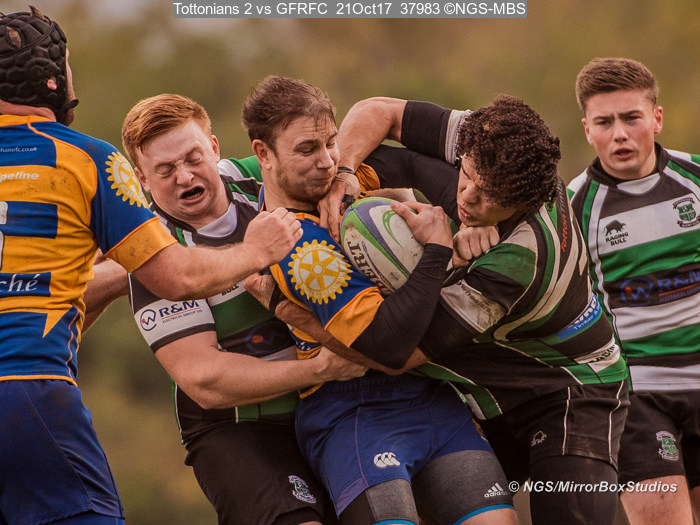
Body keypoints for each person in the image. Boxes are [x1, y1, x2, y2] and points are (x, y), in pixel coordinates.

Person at [0, 8, 302, 525]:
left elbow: (54, 288)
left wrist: (120, 276)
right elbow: (177, 278)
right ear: (51, 78)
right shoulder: (87, 159)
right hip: (28, 389)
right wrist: (255, 251)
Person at [333, 94, 630, 525]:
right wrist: (343, 174)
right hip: (491, 392)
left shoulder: (521, 259)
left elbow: (396, 353)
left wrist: (442, 254)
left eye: (489, 195)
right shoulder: (494, 142)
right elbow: (378, 111)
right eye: (467, 175)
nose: (468, 197)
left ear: (523, 200)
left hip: (574, 390)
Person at [243, 75, 517, 525]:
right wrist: (438, 249)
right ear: (263, 154)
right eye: (307, 150)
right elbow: (389, 346)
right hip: (353, 414)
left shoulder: (337, 178)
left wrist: (476, 216)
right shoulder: (297, 246)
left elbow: (410, 163)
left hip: (432, 395)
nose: (326, 161)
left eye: (331, 142)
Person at [120, 93, 367, 525]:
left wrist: (345, 181)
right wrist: (320, 369)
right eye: (165, 170)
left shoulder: (258, 174)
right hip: (237, 427)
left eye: (193, 158)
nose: (184, 176)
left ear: (214, 148)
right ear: (141, 178)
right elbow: (205, 380)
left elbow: (363, 129)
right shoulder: (153, 254)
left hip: (328, 406)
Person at [567, 57, 700, 525]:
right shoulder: (572, 208)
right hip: (636, 396)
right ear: (588, 129)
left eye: (631, 118)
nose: (620, 134)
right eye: (605, 122)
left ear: (656, 118)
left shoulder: (695, 178)